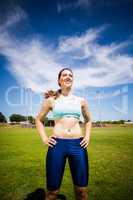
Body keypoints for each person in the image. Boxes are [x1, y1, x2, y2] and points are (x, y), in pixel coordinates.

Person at [35, 68, 92, 200]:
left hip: (78, 146)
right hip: (57, 146)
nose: (68, 77)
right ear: (59, 80)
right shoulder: (51, 100)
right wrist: (44, 138)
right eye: (64, 75)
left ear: (73, 80)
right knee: (52, 193)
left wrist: (87, 136)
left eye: (70, 75)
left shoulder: (81, 101)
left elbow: (88, 120)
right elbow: (38, 119)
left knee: (82, 191)